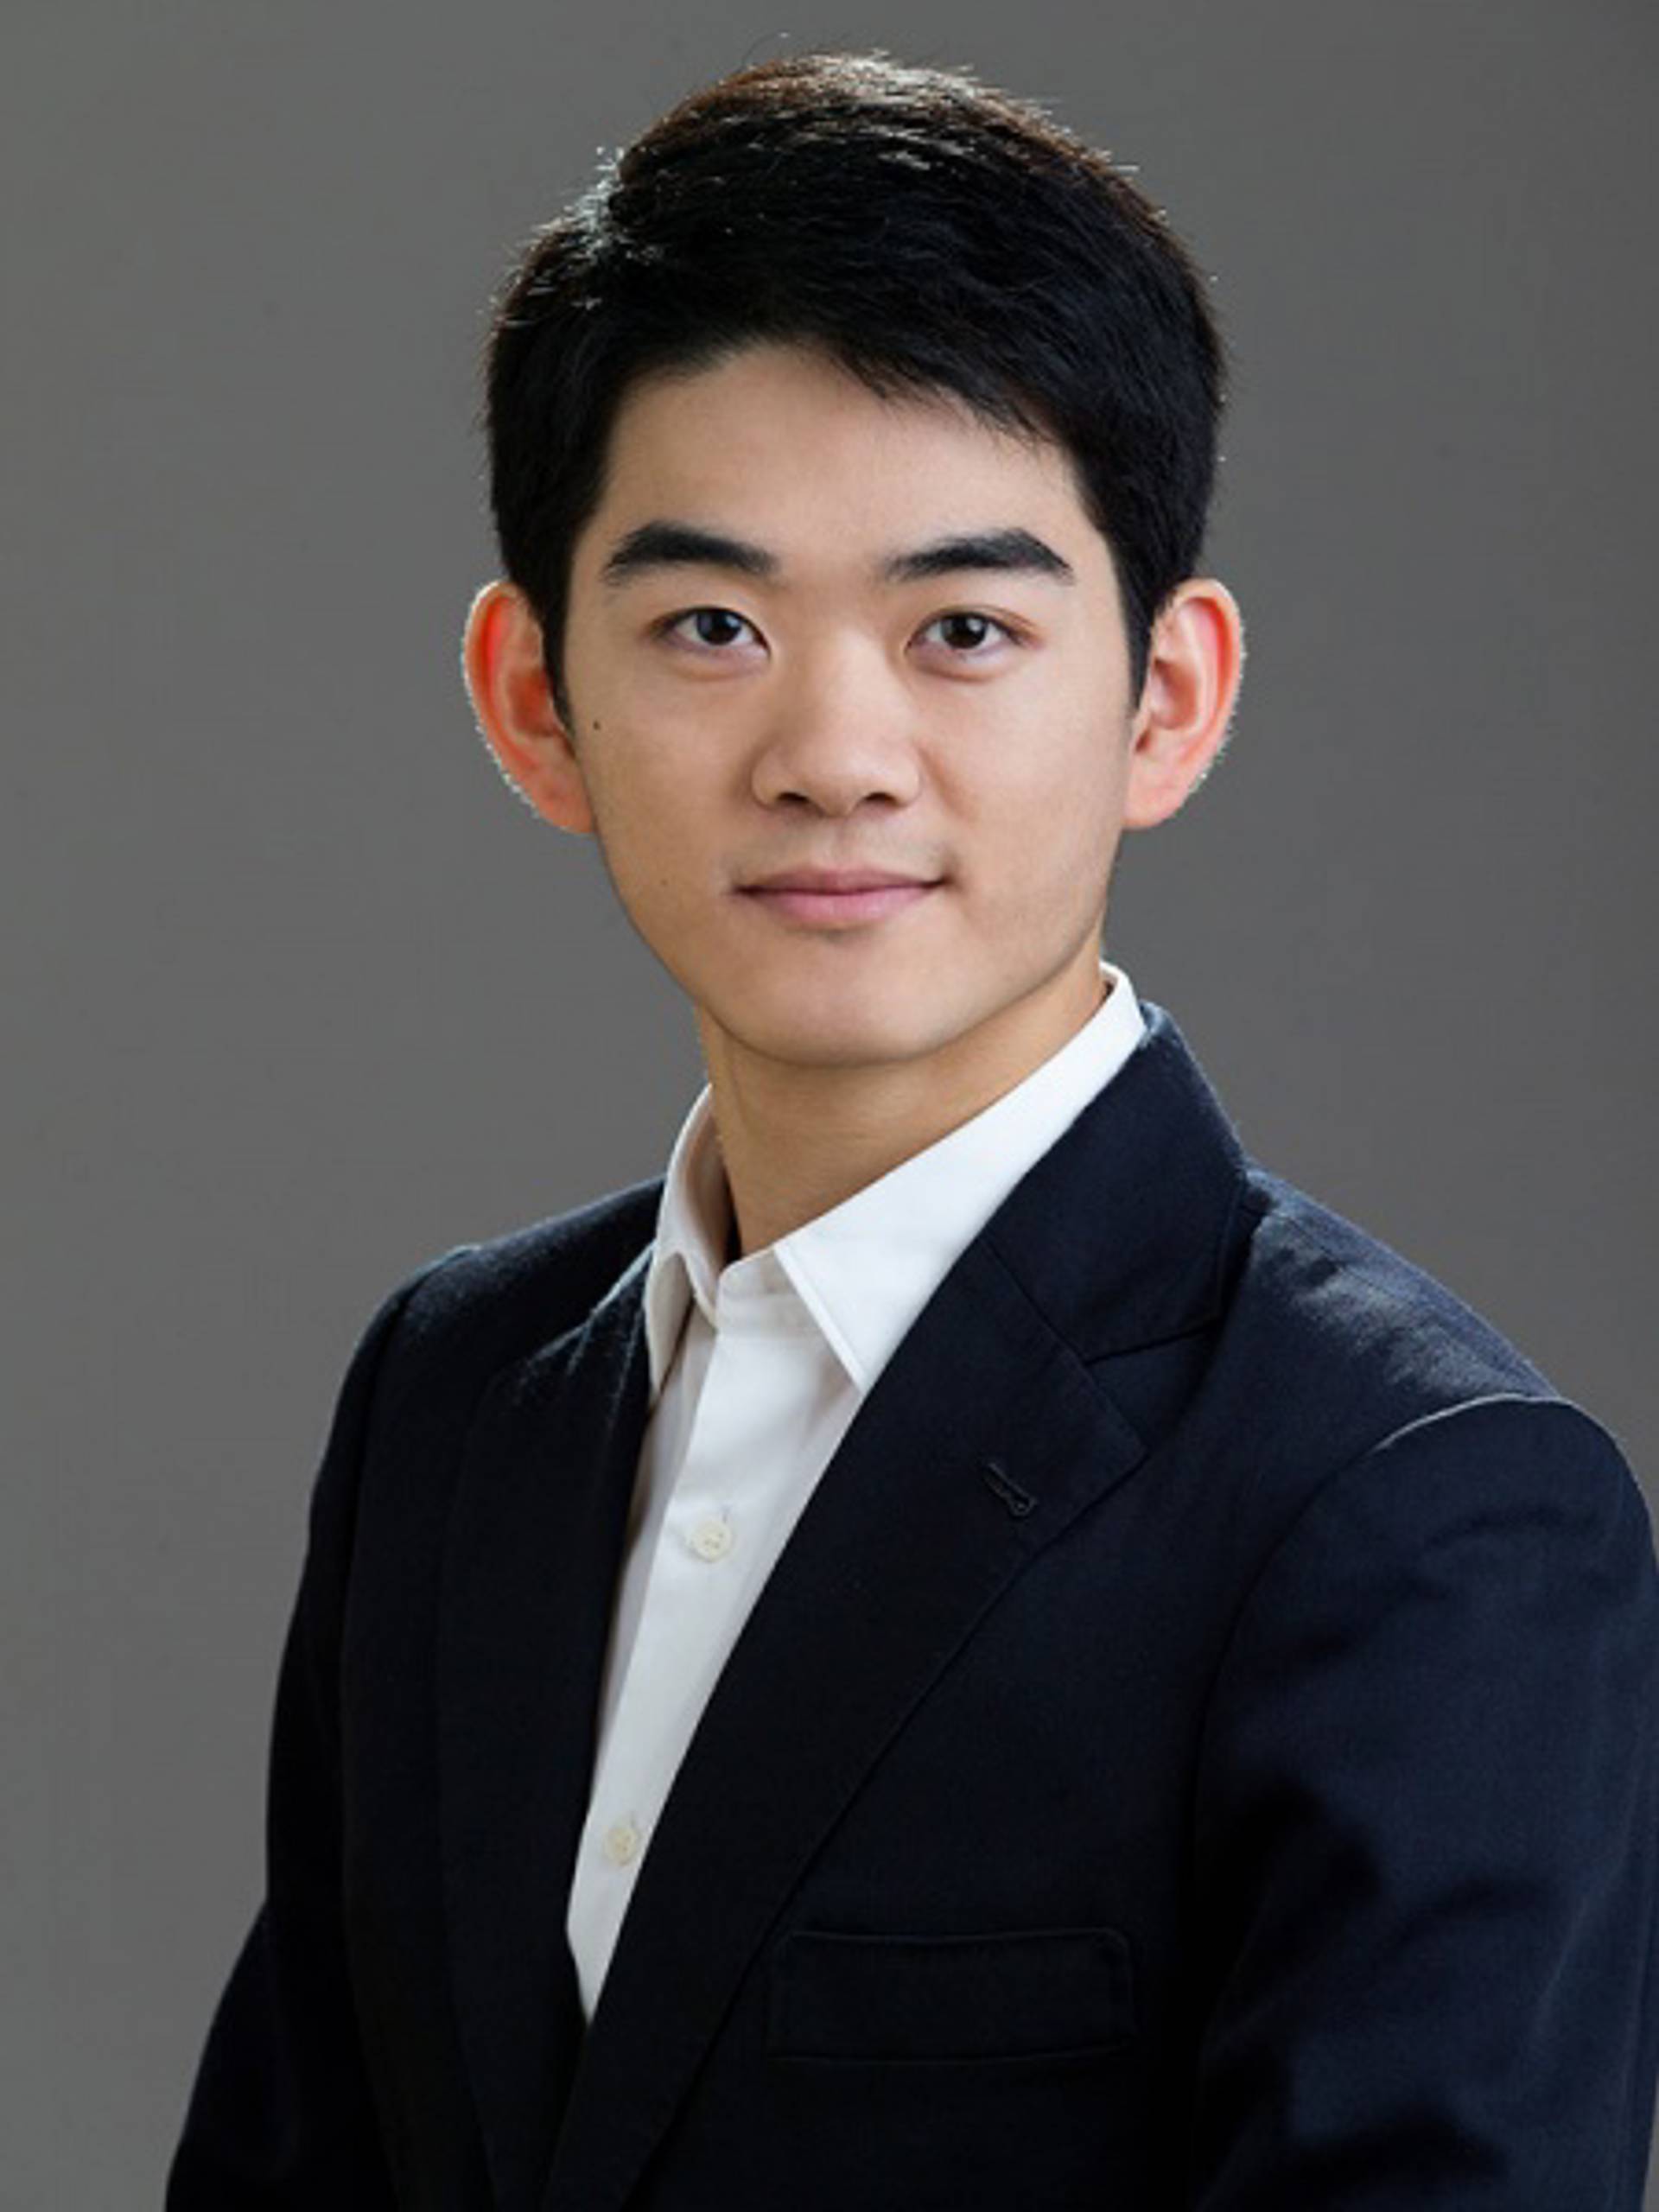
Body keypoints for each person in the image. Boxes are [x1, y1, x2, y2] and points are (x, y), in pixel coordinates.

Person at [167, 48, 1659, 2210]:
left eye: (964, 627)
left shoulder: (1418, 1503)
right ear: (531, 696)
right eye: (712, 625)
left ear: (1166, 699)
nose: (836, 750)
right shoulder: (454, 1395)